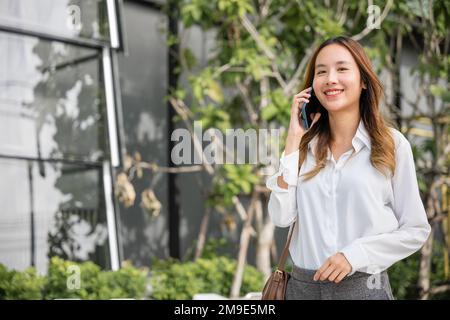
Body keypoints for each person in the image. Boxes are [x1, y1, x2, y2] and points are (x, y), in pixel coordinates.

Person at [266, 36, 431, 300]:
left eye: (342, 69)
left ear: (364, 81)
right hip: (302, 289)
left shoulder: (392, 145)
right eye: (321, 71)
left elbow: (415, 230)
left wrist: (355, 255)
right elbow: (281, 216)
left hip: (364, 289)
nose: (331, 78)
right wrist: (293, 138)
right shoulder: (302, 147)